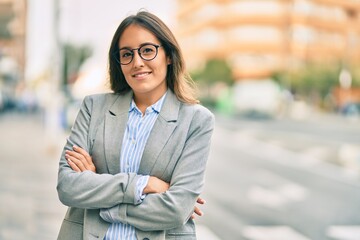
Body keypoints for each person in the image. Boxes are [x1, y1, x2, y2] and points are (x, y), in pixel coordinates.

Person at [56, 10, 214, 240]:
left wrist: (98, 192)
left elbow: (176, 209)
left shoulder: (197, 121)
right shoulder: (93, 108)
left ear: (168, 55)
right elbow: (68, 187)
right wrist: (143, 184)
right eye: (127, 54)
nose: (137, 62)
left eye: (148, 50)